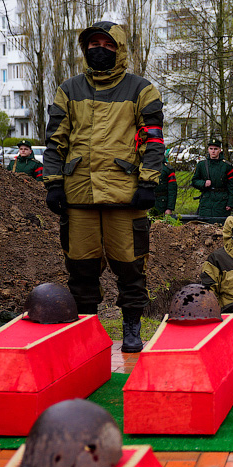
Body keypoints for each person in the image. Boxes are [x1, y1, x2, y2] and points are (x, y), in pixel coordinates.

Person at [43, 21, 165, 353]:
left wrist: (149, 182)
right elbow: (56, 141)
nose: (100, 49)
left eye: (108, 45)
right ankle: (87, 330)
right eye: (93, 44)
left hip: (126, 196)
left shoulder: (142, 90)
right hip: (79, 193)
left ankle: (131, 328)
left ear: (120, 49)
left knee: (130, 267)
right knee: (80, 267)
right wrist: (54, 183)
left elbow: (152, 141)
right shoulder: (69, 90)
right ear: (86, 50)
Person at [191, 138, 233, 220]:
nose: (213, 151)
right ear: (208, 150)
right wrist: (203, 183)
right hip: (206, 200)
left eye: (215, 149)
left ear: (220, 150)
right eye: (211, 149)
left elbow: (231, 186)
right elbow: (194, 181)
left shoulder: (226, 166)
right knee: (204, 225)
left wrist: (230, 203)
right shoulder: (202, 165)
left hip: (222, 201)